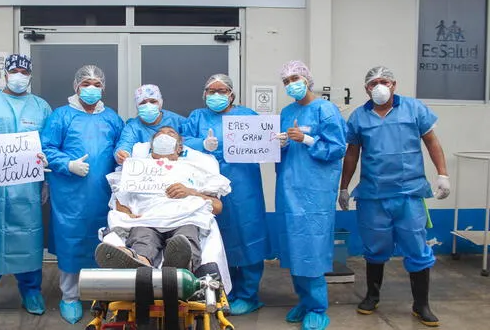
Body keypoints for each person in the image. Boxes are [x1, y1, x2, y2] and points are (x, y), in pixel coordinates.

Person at [338, 66, 450, 327]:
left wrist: (442, 174)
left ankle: (421, 304)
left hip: (409, 193)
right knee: (374, 248)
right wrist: (343, 187)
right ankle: (372, 295)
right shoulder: (358, 117)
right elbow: (352, 153)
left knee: (417, 248)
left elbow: (432, 142)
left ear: (394, 85)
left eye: (384, 81)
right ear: (366, 88)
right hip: (373, 195)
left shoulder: (413, 109)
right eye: (373, 83)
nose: (379, 86)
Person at [41, 65, 124, 324]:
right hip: (70, 194)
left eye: (96, 84)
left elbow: (122, 147)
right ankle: (70, 296)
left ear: (103, 88)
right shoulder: (61, 116)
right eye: (86, 83)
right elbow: (46, 148)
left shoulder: (111, 117)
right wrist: (68, 164)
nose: (91, 88)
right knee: (71, 242)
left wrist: (125, 166)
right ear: (76, 87)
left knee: (104, 242)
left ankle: (103, 296)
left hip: (103, 194)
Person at [0, 54, 52, 318]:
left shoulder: (41, 107)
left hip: (26, 188)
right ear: (5, 74)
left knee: (27, 237)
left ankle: (31, 290)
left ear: (29, 76)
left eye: (24, 72)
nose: (19, 76)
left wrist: (47, 173)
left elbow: (49, 143)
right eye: (14, 71)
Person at [182, 74, 269, 316]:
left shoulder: (248, 116)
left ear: (231, 94)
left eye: (222, 90)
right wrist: (202, 144)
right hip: (207, 187)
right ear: (204, 94)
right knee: (216, 239)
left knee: (247, 234)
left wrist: (277, 141)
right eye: (211, 91)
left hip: (244, 186)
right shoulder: (197, 117)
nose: (216, 95)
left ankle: (249, 295)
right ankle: (221, 291)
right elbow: (183, 141)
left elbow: (266, 140)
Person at [276, 60, 347, 330]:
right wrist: (280, 144)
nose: (290, 84)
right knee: (295, 247)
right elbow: (281, 148)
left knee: (312, 247)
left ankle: (318, 307)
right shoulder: (286, 111)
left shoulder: (325, 110)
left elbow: (337, 148)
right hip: (288, 187)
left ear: (307, 79)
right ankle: (304, 301)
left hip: (315, 191)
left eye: (295, 77)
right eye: (286, 81)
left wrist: (306, 140)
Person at [96, 127, 227, 271]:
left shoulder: (195, 169)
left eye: (171, 134)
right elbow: (119, 198)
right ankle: (139, 260)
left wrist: (191, 192)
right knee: (143, 238)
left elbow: (217, 206)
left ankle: (182, 264)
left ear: (180, 148)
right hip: (146, 218)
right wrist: (127, 213)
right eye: (159, 134)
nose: (164, 135)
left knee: (184, 239)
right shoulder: (135, 168)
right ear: (151, 147)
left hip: (184, 217)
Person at [114, 84, 186, 165]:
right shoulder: (132, 127)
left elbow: (190, 140)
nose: (148, 105)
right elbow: (125, 143)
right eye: (143, 102)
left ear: (160, 103)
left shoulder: (177, 121)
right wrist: (123, 154)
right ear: (137, 106)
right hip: (146, 171)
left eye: (153, 101)